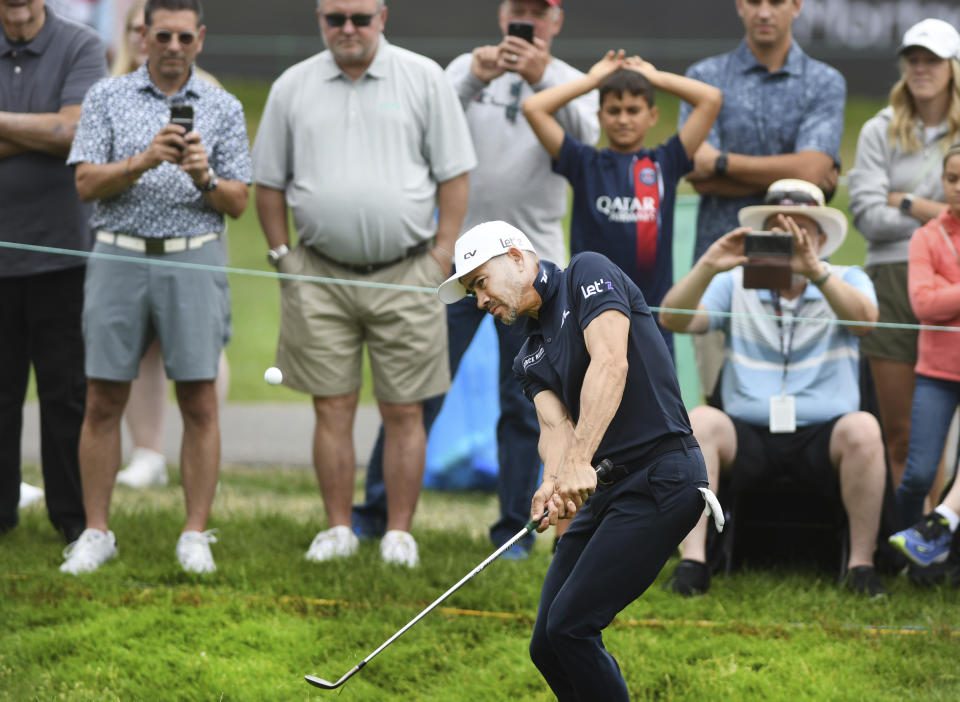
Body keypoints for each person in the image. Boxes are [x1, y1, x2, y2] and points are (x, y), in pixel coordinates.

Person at [351, 0, 600, 559]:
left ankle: (514, 529)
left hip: (528, 271)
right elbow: (421, 124)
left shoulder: (570, 82)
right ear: (502, 13)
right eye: (519, 10)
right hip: (460, 267)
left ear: (556, 20)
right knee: (414, 390)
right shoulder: (467, 67)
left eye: (539, 13)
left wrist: (540, 79)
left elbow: (589, 145)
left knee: (526, 404)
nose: (528, 22)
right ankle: (374, 511)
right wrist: (470, 78)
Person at [437, 220, 717, 700]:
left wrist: (580, 462)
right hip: (610, 491)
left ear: (518, 257)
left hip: (665, 477)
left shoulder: (588, 273)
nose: (480, 301)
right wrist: (551, 482)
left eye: (480, 283)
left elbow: (611, 362)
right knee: (546, 643)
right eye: (472, 292)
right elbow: (554, 429)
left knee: (571, 627)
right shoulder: (527, 355)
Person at [252, 0, 475, 568]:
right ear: (320, 20)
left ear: (382, 17)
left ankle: (399, 533)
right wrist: (284, 258)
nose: (347, 29)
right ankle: (337, 528)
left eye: (359, 17)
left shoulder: (423, 77)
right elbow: (269, 183)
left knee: (405, 410)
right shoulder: (292, 85)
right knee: (332, 406)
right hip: (318, 274)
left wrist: (442, 255)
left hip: (409, 272)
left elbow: (454, 174)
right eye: (335, 18)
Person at [60, 0, 252, 574]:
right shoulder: (107, 96)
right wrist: (142, 161)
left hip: (193, 258)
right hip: (118, 254)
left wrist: (204, 176)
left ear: (200, 39)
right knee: (102, 398)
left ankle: (195, 533)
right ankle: (96, 531)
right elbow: (86, 182)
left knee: (198, 399)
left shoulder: (222, 106)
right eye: (161, 34)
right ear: (142, 35)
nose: (173, 46)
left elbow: (237, 200)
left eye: (184, 37)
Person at [659, 179, 888, 598]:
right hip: (749, 434)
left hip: (825, 433)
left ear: (821, 239)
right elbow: (673, 320)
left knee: (865, 429)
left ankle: (862, 567)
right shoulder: (737, 282)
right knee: (702, 420)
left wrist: (815, 272)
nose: (790, 242)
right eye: (778, 232)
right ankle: (693, 561)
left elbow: (865, 322)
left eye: (800, 232)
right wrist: (710, 263)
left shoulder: (846, 277)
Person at [678, 0, 845, 400]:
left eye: (776, 2)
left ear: (797, 6)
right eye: (754, 1)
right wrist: (792, 176)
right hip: (721, 266)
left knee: (804, 405)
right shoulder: (705, 77)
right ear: (739, 6)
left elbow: (813, 169)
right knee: (720, 407)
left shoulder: (824, 81)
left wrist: (721, 164)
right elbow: (694, 171)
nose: (764, 12)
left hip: (800, 272)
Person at [523, 49, 722, 356]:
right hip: (589, 317)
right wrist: (592, 81)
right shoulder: (583, 162)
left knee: (656, 404)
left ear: (652, 115)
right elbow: (533, 107)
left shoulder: (665, 162)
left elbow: (710, 99)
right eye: (614, 111)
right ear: (600, 116)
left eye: (633, 109)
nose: (623, 119)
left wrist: (655, 78)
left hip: (651, 321)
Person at [109, 0, 229, 489]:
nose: (157, 42)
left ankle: (197, 448)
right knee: (140, 350)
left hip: (193, 244)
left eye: (171, 34)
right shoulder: (109, 90)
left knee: (202, 347)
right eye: (145, 31)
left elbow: (233, 184)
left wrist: (201, 172)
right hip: (124, 244)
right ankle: (148, 453)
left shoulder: (211, 94)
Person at [0, 0, 106, 543]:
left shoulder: (80, 44)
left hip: (62, 253)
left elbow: (75, 133)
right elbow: (57, 130)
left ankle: (73, 522)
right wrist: (43, 131)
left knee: (65, 395)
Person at [848, 18, 960, 496]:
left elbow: (888, 207)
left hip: (951, 278)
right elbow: (868, 217)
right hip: (891, 281)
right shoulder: (879, 130)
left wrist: (908, 202)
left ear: (952, 67)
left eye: (932, 59)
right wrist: (944, 211)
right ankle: (914, 547)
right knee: (903, 436)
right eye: (912, 58)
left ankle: (945, 539)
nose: (920, 68)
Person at [887, 144, 960, 556]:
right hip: (937, 372)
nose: (959, 187)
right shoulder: (926, 236)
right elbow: (923, 305)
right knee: (918, 475)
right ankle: (904, 546)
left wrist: (945, 294)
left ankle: (944, 559)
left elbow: (938, 299)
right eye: (952, 179)